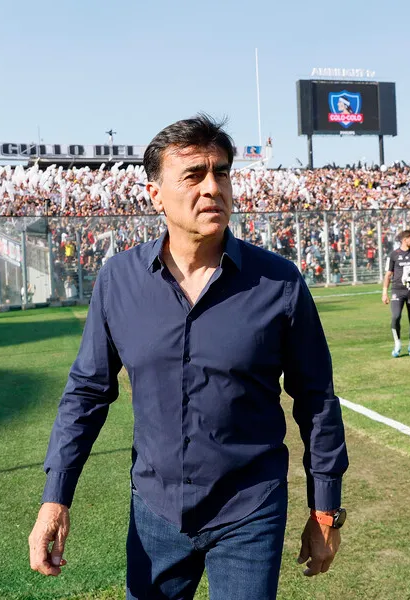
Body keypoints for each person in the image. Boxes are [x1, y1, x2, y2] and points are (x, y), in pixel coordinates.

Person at [28, 115, 349, 600]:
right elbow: (87, 394)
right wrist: (56, 498)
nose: (211, 188)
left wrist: (324, 509)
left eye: (221, 173)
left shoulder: (279, 283)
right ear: (155, 194)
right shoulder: (119, 280)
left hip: (250, 508)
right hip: (155, 510)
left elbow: (316, 400)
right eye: (193, 176)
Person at [382, 229, 410, 357]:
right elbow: (388, 274)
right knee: (396, 317)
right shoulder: (393, 255)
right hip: (397, 290)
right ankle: (397, 344)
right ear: (404, 240)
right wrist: (384, 292)